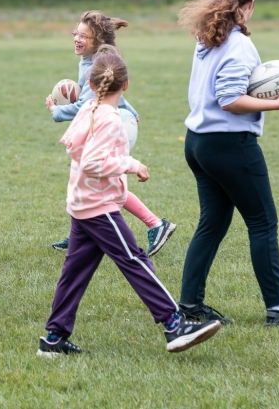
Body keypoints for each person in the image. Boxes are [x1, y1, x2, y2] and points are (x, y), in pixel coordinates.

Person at [38, 51, 221, 356]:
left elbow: (75, 150)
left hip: (83, 203)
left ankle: (54, 339)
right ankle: (174, 324)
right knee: (135, 260)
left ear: (90, 83)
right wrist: (130, 164)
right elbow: (93, 163)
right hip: (99, 207)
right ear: (126, 86)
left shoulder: (88, 109)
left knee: (75, 272)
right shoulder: (109, 118)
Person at [176, 0, 279, 327]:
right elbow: (230, 99)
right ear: (250, 6)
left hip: (198, 142)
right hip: (229, 145)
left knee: (212, 224)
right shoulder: (238, 45)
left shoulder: (206, 36)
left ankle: (190, 307)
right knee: (262, 222)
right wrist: (277, 103)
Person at [45, 11, 175, 256]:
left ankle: (155, 224)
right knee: (94, 180)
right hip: (116, 120)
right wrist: (132, 109)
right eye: (76, 33)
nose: (77, 39)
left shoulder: (96, 64)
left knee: (100, 179)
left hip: (116, 125)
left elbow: (88, 103)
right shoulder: (91, 60)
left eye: (84, 36)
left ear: (97, 40)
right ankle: (81, 232)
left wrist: (57, 111)